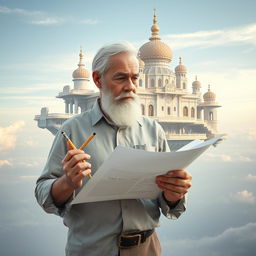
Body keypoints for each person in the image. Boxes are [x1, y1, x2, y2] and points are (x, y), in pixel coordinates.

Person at [35, 41, 192, 256]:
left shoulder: (152, 130)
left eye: (135, 78)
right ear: (98, 79)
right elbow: (42, 192)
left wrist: (174, 193)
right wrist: (67, 182)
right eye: (120, 77)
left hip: (146, 249)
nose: (130, 86)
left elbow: (167, 204)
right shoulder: (72, 130)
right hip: (91, 250)